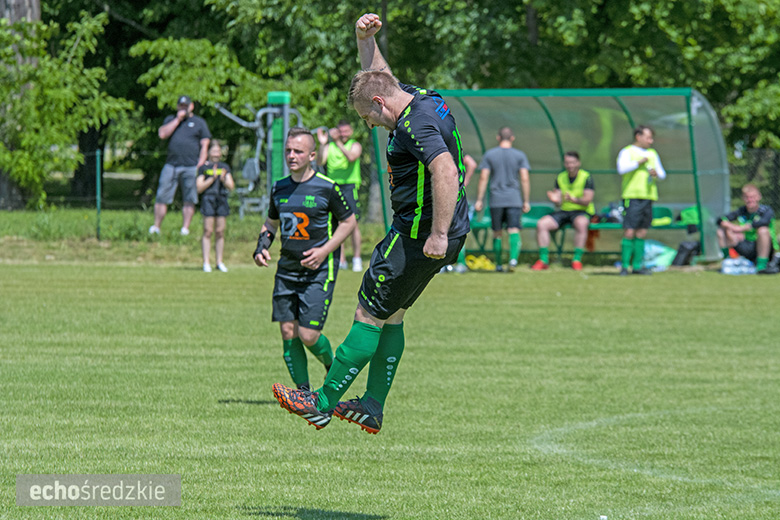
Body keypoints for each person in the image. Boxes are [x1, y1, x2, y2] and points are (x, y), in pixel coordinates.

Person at [271, 12, 470, 434]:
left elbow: (446, 170)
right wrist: (365, 40)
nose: (369, 124)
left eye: (368, 117)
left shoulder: (415, 125)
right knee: (393, 315)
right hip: (448, 232)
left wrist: (434, 233)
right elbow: (379, 77)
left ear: (379, 105)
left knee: (368, 312)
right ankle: (373, 406)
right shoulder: (421, 98)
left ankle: (322, 402)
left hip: (420, 235)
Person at [254, 127, 357, 392]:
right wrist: (261, 246)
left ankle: (331, 367)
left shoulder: (327, 187)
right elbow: (271, 222)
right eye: (288, 150)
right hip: (286, 270)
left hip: (319, 271)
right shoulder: (280, 187)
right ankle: (303, 393)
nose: (291, 155)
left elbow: (349, 222)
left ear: (312, 155)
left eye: (297, 151)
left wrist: (325, 250)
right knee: (288, 332)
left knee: (308, 335)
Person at [150, 95, 211, 236]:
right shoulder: (171, 120)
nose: (183, 108)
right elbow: (162, 134)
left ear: (192, 106)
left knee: (189, 198)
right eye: (181, 106)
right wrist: (178, 119)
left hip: (191, 166)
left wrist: (200, 163)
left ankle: (185, 229)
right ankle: (156, 227)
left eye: (186, 106)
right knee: (161, 197)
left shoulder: (199, 122)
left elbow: (205, 144)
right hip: (171, 165)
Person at [474, 127, 531, 272]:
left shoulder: (490, 154)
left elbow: (483, 177)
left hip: (496, 199)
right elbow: (524, 178)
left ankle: (498, 264)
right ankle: (512, 261)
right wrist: (526, 200)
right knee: (513, 229)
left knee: (497, 232)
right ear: (512, 138)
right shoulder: (520, 155)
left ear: (498, 138)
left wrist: (479, 199)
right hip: (514, 199)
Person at [532, 151, 594, 271]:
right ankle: (543, 259)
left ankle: (576, 259)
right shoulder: (561, 177)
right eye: (567, 163)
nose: (570, 165)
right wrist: (555, 200)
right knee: (542, 224)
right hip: (564, 211)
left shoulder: (586, 177)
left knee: (581, 223)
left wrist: (574, 199)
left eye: (572, 162)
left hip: (581, 211)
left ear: (578, 163)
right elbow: (559, 200)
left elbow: (587, 199)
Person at [616, 125, 666, 275]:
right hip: (631, 197)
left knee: (642, 231)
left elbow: (662, 174)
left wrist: (655, 173)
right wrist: (638, 163)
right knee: (629, 230)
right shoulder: (627, 151)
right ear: (638, 136)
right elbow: (621, 169)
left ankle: (637, 266)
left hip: (648, 197)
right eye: (648, 137)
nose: (651, 141)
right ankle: (625, 266)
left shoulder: (652, 153)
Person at [317, 120, 364, 272]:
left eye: (346, 131)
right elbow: (319, 161)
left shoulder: (355, 145)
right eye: (340, 131)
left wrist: (337, 142)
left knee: (353, 224)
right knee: (337, 225)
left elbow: (351, 157)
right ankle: (341, 259)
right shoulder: (330, 147)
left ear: (350, 131)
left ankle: (356, 259)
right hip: (333, 188)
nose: (343, 134)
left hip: (349, 187)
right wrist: (323, 143)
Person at [717, 184, 777, 272]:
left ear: (759, 197)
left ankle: (761, 265)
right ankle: (727, 260)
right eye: (747, 197)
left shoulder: (766, 210)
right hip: (747, 245)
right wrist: (733, 227)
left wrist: (743, 228)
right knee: (721, 230)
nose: (750, 200)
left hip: (764, 248)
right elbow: (719, 220)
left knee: (763, 230)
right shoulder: (742, 211)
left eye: (752, 197)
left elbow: (764, 222)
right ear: (743, 198)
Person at [196, 140, 235, 272]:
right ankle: (206, 262)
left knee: (220, 231)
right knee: (208, 231)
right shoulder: (203, 168)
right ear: (208, 152)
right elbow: (199, 187)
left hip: (221, 200)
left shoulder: (224, 167)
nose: (216, 153)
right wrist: (212, 178)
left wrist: (223, 179)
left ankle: (219, 262)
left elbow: (231, 186)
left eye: (218, 151)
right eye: (214, 150)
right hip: (208, 199)